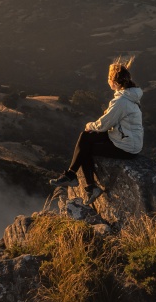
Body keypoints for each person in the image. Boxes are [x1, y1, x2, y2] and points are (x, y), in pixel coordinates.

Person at [50, 58, 143, 204]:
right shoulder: (127, 96)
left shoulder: (121, 102)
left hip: (126, 146)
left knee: (87, 146)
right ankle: (72, 176)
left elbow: (103, 125)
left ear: (115, 82)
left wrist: (90, 125)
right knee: (85, 137)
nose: (107, 80)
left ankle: (87, 185)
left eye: (109, 77)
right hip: (125, 137)